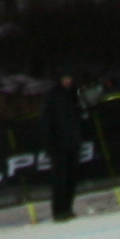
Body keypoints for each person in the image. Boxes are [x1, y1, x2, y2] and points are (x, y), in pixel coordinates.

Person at [38, 75, 90, 224]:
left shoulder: (74, 93)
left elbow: (81, 113)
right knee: (60, 178)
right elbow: (47, 121)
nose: (68, 81)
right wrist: (50, 144)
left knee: (71, 178)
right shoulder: (54, 95)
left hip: (73, 142)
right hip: (59, 144)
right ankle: (59, 211)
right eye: (65, 78)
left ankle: (68, 208)